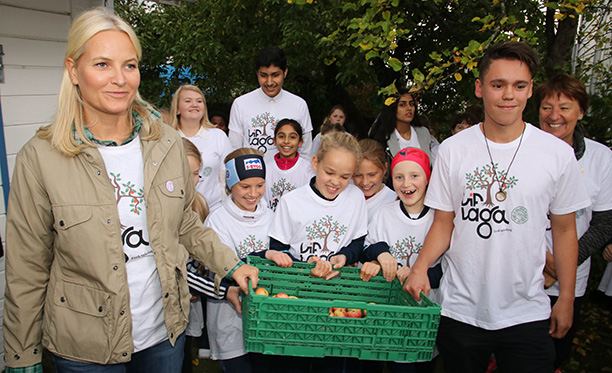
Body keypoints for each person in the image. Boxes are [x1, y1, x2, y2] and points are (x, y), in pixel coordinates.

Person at [3, 8, 258, 372]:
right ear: (74, 70)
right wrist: (21, 354)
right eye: (103, 65)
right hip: (85, 347)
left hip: (163, 336)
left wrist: (231, 264)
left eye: (130, 65)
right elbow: (27, 266)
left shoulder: (167, 143)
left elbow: (185, 221)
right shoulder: (41, 157)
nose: (120, 79)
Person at [404, 41, 590, 373]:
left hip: (527, 312)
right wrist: (420, 267)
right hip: (461, 311)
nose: (508, 95)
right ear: (480, 88)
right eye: (498, 84)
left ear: (531, 89)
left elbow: (564, 230)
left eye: (519, 85)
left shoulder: (556, 154)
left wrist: (566, 298)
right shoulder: (452, 150)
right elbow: (444, 223)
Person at [534, 73, 612, 370]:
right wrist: (543, 261)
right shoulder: (519, 150)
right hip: (522, 275)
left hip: (570, 283)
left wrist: (560, 267)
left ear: (580, 111)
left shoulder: (600, 158)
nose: (554, 116)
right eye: (546, 107)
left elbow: (604, 224)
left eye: (565, 107)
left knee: (555, 355)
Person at [204, 148, 292, 373]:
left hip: (267, 321)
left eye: (260, 185)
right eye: (245, 186)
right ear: (229, 184)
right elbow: (219, 269)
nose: (253, 193)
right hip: (230, 320)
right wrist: (265, 255)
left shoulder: (273, 217)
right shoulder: (217, 221)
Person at [363, 147, 440, 373]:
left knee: (425, 363)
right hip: (390, 314)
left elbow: (448, 267)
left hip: (426, 313)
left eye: (414, 176)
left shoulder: (440, 218)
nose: (406, 184)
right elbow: (369, 245)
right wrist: (381, 254)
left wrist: (420, 275)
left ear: (428, 178)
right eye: (399, 177)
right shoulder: (385, 213)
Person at [228, 46, 313, 158]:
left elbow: (306, 152)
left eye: (275, 75)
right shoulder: (240, 104)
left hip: (290, 175)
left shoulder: (299, 105)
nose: (269, 82)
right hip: (252, 174)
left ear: (285, 73)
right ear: (257, 73)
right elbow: (235, 151)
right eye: (263, 75)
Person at [170, 84, 232, 212]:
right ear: (177, 109)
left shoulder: (218, 136)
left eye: (199, 101)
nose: (195, 105)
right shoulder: (167, 138)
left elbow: (226, 177)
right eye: (188, 101)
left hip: (214, 209)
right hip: (177, 211)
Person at [369, 89, 440, 164]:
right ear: (393, 108)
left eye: (411, 104)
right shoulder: (383, 136)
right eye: (402, 105)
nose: (409, 108)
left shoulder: (423, 133)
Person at [264, 118, 314, 211]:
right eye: (281, 136)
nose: (286, 141)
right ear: (274, 141)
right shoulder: (266, 169)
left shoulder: (308, 169)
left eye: (292, 137)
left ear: (300, 142)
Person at [352, 139, 397, 221]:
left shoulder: (394, 202)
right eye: (358, 175)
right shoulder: (345, 196)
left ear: (385, 169)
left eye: (372, 175)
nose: (365, 182)